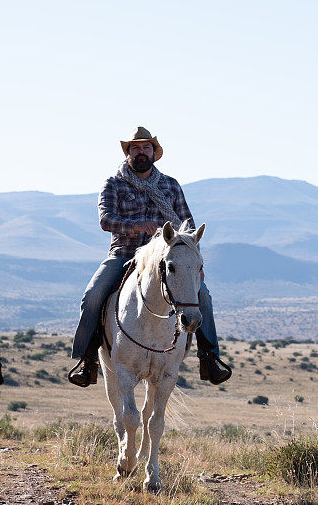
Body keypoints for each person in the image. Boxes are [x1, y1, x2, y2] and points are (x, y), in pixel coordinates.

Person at [68, 126, 232, 387]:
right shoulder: (114, 183)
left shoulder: (170, 185)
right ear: (128, 152)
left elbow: (187, 226)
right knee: (93, 296)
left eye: (146, 147)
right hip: (124, 254)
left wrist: (194, 264)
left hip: (167, 258)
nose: (141, 152)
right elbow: (105, 219)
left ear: (154, 153)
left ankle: (209, 358)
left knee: (203, 297)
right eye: (135, 148)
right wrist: (136, 225)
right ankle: (87, 360)